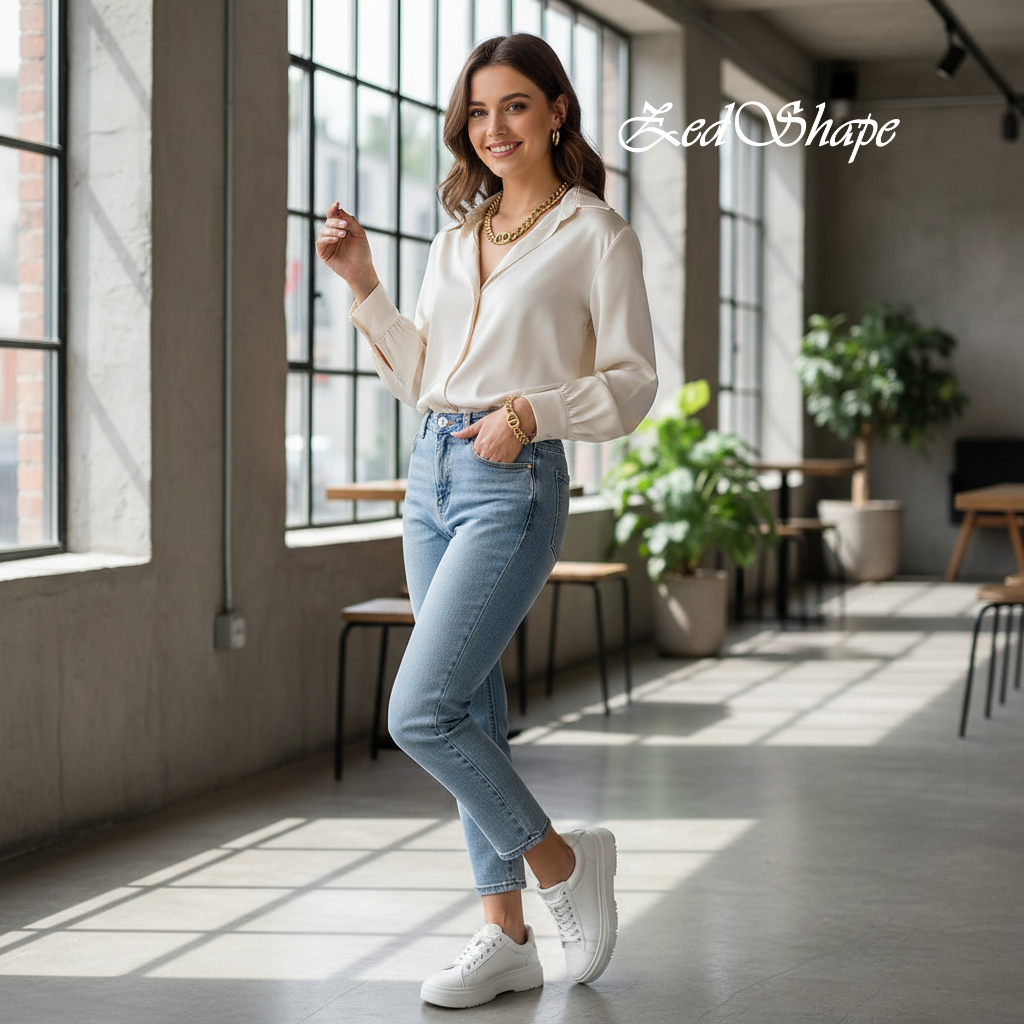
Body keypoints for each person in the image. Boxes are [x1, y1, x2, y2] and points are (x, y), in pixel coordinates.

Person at [315, 32, 658, 1010]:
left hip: (515, 479)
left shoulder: (597, 234)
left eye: (514, 105)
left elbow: (633, 385)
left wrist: (529, 413)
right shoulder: (454, 234)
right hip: (431, 470)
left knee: (416, 711)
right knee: (468, 710)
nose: (493, 127)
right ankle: (503, 935)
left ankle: (561, 864)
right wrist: (362, 284)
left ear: (557, 110)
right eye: (477, 110)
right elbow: (421, 377)